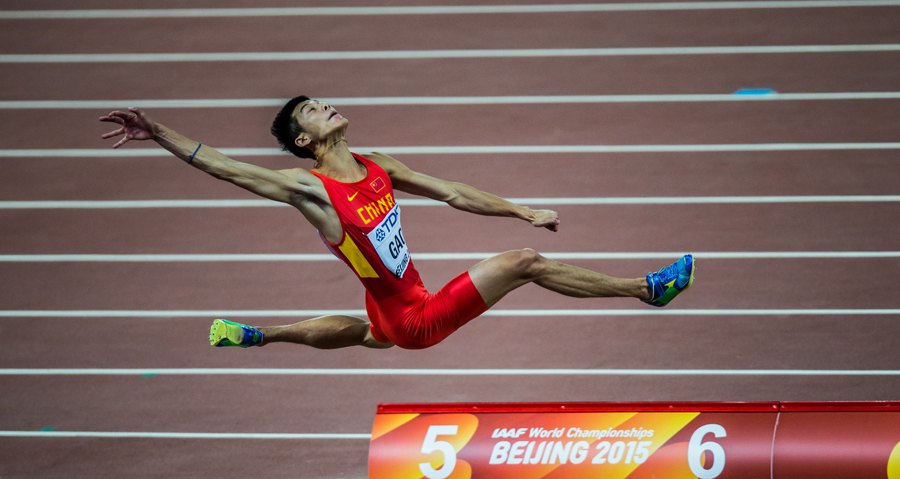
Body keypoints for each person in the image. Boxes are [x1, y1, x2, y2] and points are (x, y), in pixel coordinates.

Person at [99, 97, 694, 351]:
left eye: (321, 100)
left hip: (387, 307)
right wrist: (158, 133)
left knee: (368, 334)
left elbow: (452, 191)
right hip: (413, 317)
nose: (325, 105)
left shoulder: (377, 164)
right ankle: (648, 290)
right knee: (524, 263)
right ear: (305, 140)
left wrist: (521, 209)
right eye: (312, 110)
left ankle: (259, 336)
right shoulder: (313, 190)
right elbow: (227, 168)